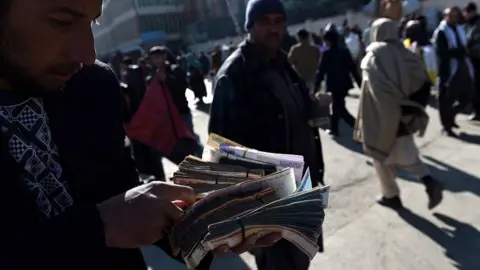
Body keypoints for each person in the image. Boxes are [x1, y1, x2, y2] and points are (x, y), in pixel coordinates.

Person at [0, 0, 279, 269]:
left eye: (92, 22)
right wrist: (99, 227)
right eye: (62, 22)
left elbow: (121, 197)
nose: (88, 54)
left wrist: (198, 224)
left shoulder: (92, 85)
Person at [209, 0, 326, 269]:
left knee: (300, 258)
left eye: (278, 21)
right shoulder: (235, 74)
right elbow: (221, 150)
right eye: (264, 21)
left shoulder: (283, 64)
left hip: (302, 192)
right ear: (250, 26)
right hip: (268, 203)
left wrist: (313, 107)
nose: (273, 28)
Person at [355, 18, 444, 210]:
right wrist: (409, 104)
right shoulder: (406, 52)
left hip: (380, 114)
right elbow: (421, 79)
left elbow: (376, 90)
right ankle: (426, 182)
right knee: (407, 154)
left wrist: (387, 110)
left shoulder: (372, 56)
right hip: (404, 113)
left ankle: (393, 195)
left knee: (379, 154)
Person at [432, 7, 475, 137]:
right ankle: (446, 127)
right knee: (446, 100)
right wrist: (459, 52)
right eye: (451, 16)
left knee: (467, 96)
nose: (454, 18)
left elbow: (465, 45)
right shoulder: (441, 32)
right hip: (448, 70)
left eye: (456, 16)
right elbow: (442, 52)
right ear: (445, 17)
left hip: (462, 67)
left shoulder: (459, 29)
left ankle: (451, 116)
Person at [315, 28, 361, 137]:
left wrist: (316, 87)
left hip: (334, 84)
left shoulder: (326, 53)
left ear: (328, 41)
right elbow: (353, 69)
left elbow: (321, 72)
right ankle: (334, 129)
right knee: (336, 107)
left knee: (339, 109)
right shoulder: (344, 51)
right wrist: (359, 84)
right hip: (344, 84)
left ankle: (359, 128)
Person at [463, 2, 480, 121]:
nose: (466, 14)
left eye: (468, 12)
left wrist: (467, 50)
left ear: (473, 12)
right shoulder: (467, 24)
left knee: (477, 86)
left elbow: (474, 41)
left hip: (477, 59)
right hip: (470, 59)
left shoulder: (477, 24)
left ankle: (477, 112)